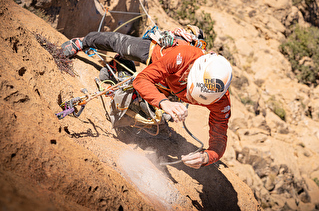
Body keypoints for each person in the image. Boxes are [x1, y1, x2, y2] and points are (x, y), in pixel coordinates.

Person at [61, 26, 233, 169]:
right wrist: (165, 103)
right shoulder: (183, 55)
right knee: (119, 43)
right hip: (158, 55)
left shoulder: (221, 100)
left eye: (199, 101)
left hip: (168, 88)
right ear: (192, 73)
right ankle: (83, 41)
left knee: (157, 115)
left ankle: (121, 68)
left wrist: (206, 158)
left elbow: (219, 141)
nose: (192, 100)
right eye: (191, 92)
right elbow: (143, 80)